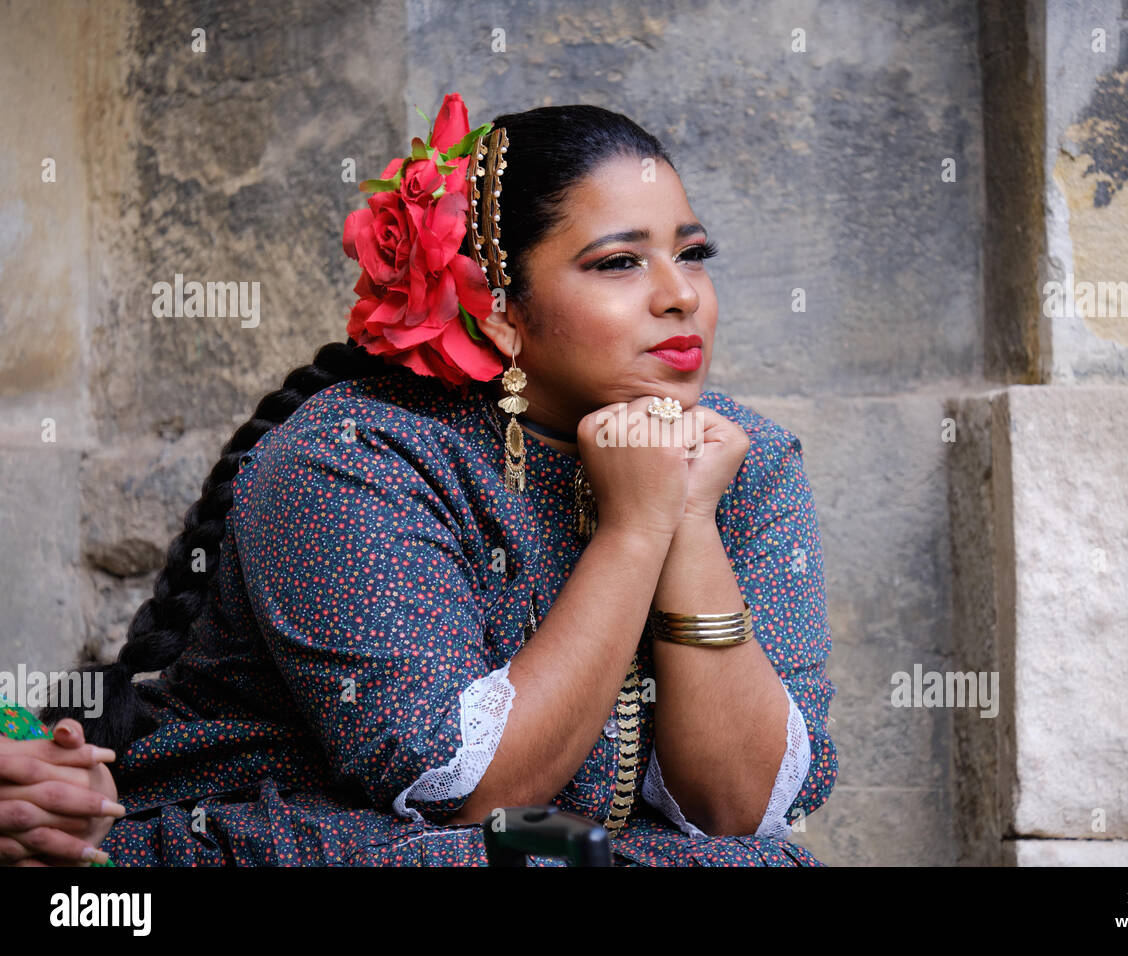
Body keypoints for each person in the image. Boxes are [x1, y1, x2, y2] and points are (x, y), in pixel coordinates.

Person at [0, 94, 837, 866]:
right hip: (327, 836)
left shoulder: (742, 459)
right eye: (619, 263)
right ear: (499, 306)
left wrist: (689, 518)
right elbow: (476, 794)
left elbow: (742, 807)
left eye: (694, 254)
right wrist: (635, 529)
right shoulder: (358, 455)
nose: (680, 295)